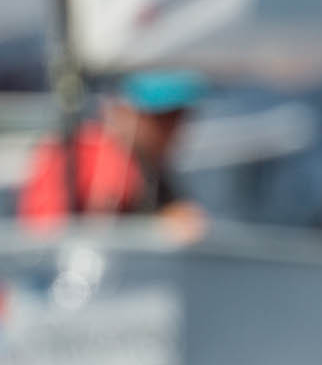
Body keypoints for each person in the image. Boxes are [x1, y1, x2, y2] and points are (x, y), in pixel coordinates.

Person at [17, 70, 208, 240]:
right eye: (160, 119)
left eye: (177, 118)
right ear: (122, 110)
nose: (173, 130)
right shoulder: (75, 156)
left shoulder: (150, 167)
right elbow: (45, 238)